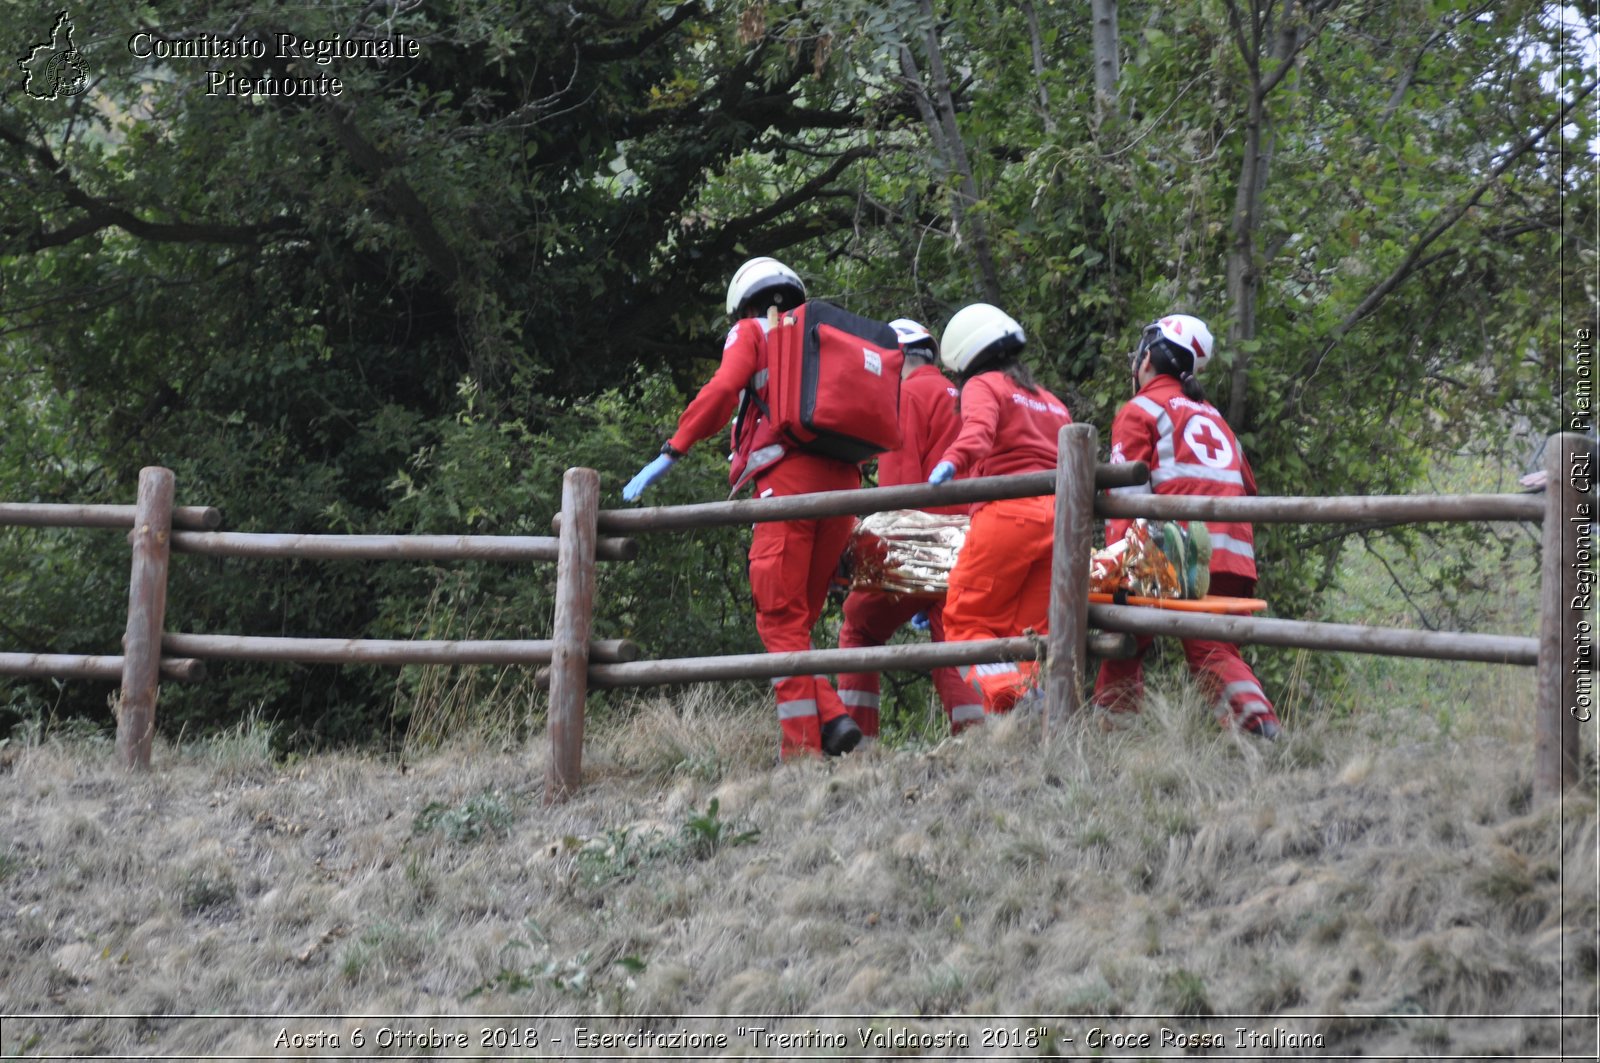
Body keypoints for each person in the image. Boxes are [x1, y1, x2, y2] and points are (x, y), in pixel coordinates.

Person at [621, 257, 863, 760]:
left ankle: (802, 752)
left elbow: (723, 390)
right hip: (846, 492)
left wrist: (672, 449)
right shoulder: (825, 340)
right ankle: (833, 722)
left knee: (779, 622)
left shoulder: (753, 332)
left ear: (744, 305)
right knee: (798, 624)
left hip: (788, 494)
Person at [1092, 313, 1282, 739]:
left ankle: (1111, 733)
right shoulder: (1217, 420)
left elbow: (1127, 497)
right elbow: (1246, 487)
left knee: (1123, 628)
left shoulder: (1140, 410)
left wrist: (1115, 563)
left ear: (1149, 357)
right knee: (1211, 647)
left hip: (1178, 557)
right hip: (1233, 557)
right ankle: (1260, 724)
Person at [836, 319, 985, 736]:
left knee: (859, 626)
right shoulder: (965, 398)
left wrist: (878, 561)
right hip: (973, 543)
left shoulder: (904, 396)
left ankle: (857, 741)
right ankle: (979, 741)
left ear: (896, 357)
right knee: (952, 642)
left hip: (921, 542)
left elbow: (897, 493)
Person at [927, 303, 1074, 718]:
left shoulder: (983, 385)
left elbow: (978, 431)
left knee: (962, 623)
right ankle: (1032, 723)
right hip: (1060, 522)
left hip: (1008, 516)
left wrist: (952, 461)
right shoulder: (1049, 400)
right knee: (1030, 633)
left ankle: (1014, 698)